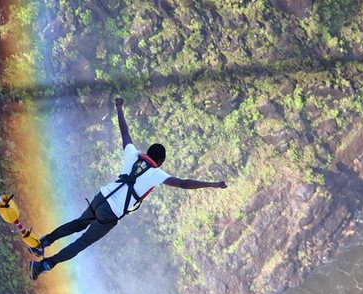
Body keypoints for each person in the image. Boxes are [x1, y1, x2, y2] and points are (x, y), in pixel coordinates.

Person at [29, 97, 227, 280]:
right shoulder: (157, 174)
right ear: (159, 161)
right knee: (81, 243)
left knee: (78, 223)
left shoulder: (133, 154)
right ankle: (43, 265)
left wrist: (119, 107)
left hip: (102, 196)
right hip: (110, 213)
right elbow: (184, 183)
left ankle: (42, 243)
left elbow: (125, 133)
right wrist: (213, 185)